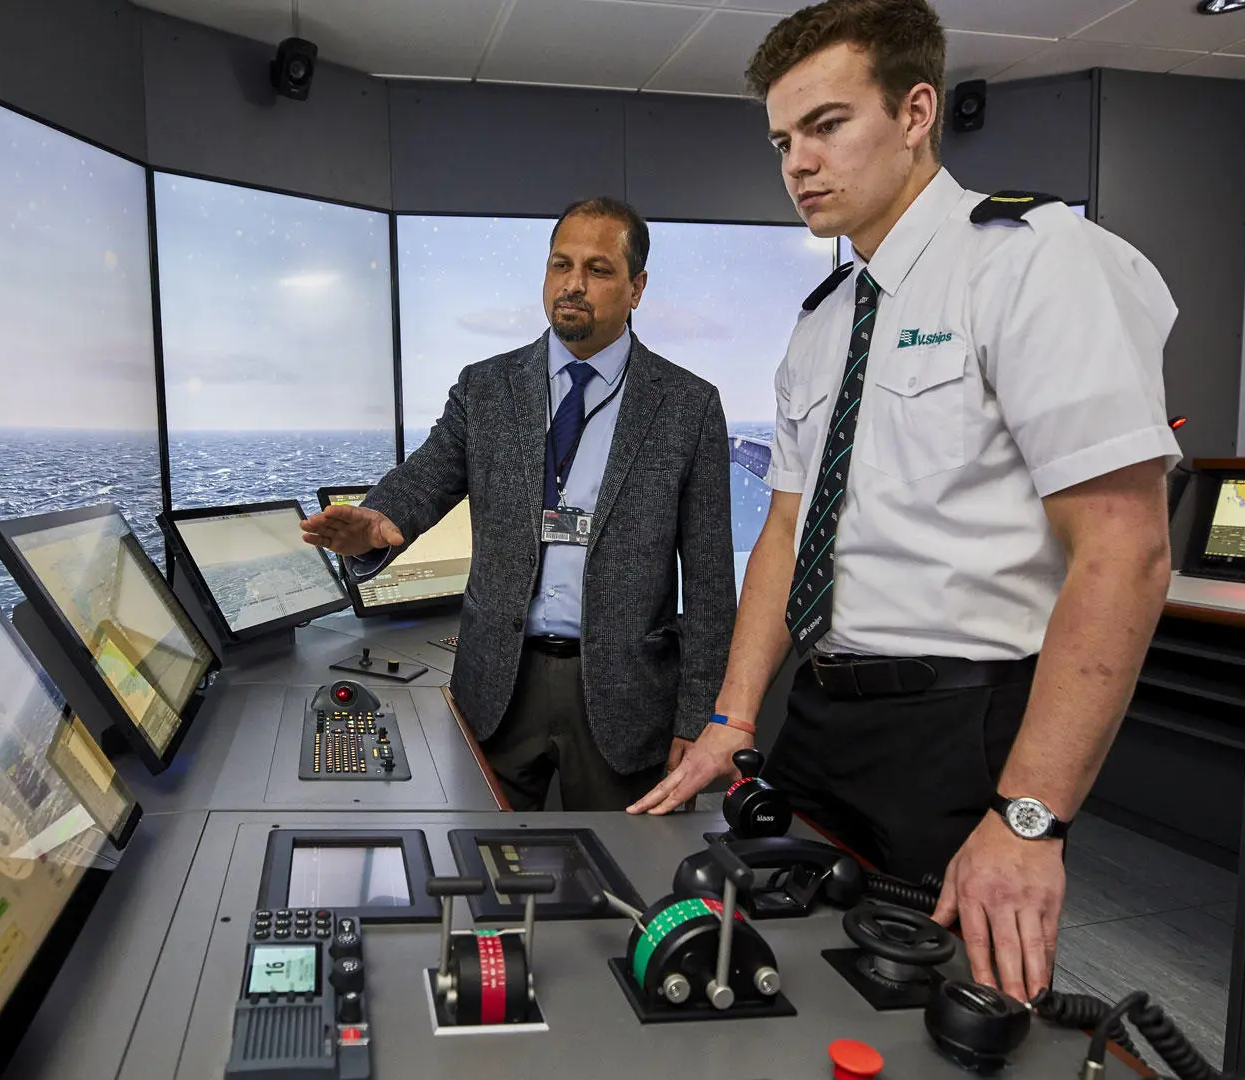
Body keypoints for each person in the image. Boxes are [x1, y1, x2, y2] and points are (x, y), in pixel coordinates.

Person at [630, 0, 1179, 1004]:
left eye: (827, 125)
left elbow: (1125, 551)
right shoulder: (823, 322)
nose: (797, 161)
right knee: (775, 992)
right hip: (821, 719)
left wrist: (1029, 819)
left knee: (936, 1017)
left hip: (963, 730)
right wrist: (730, 717)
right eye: (782, 139)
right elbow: (789, 530)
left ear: (917, 109)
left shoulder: (1035, 265)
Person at [301, 198, 735, 812]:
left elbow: (713, 586)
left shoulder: (688, 406)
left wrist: (699, 719)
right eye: (561, 266)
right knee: (483, 873)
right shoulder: (486, 387)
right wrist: (377, 524)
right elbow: (425, 477)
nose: (573, 285)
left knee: (632, 883)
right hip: (498, 687)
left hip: (627, 697)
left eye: (598, 269)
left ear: (637, 288)